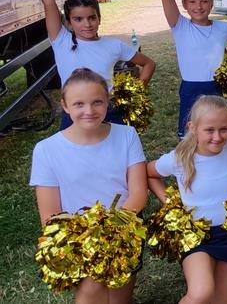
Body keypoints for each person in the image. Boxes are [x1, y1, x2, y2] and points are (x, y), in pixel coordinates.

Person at [30, 68, 147, 304]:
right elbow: (50, 215)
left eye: (97, 102)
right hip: (78, 242)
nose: (89, 111)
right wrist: (90, 241)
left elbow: (138, 193)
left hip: (123, 232)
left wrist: (111, 234)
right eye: (79, 104)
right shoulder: (46, 149)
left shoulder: (127, 135)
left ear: (108, 101)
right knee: (91, 295)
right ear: (65, 106)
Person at [148, 95, 227, 304]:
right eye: (209, 130)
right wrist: (168, 202)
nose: (217, 137)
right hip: (196, 235)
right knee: (201, 292)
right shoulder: (180, 158)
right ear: (193, 127)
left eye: (224, 129)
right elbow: (149, 173)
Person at [37, 0, 155, 129]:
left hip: (108, 111)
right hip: (74, 113)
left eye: (92, 18)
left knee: (114, 151)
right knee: (76, 153)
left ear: (99, 19)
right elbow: (48, 2)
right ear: (69, 22)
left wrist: (135, 92)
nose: (87, 24)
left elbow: (149, 64)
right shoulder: (61, 41)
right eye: (78, 19)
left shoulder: (114, 45)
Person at [156, 0, 227, 137]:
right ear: (184, 4)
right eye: (192, 1)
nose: (199, 6)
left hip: (219, 88)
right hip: (191, 88)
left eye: (204, 1)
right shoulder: (180, 26)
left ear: (211, 3)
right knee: (191, 137)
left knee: (220, 133)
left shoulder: (222, 28)